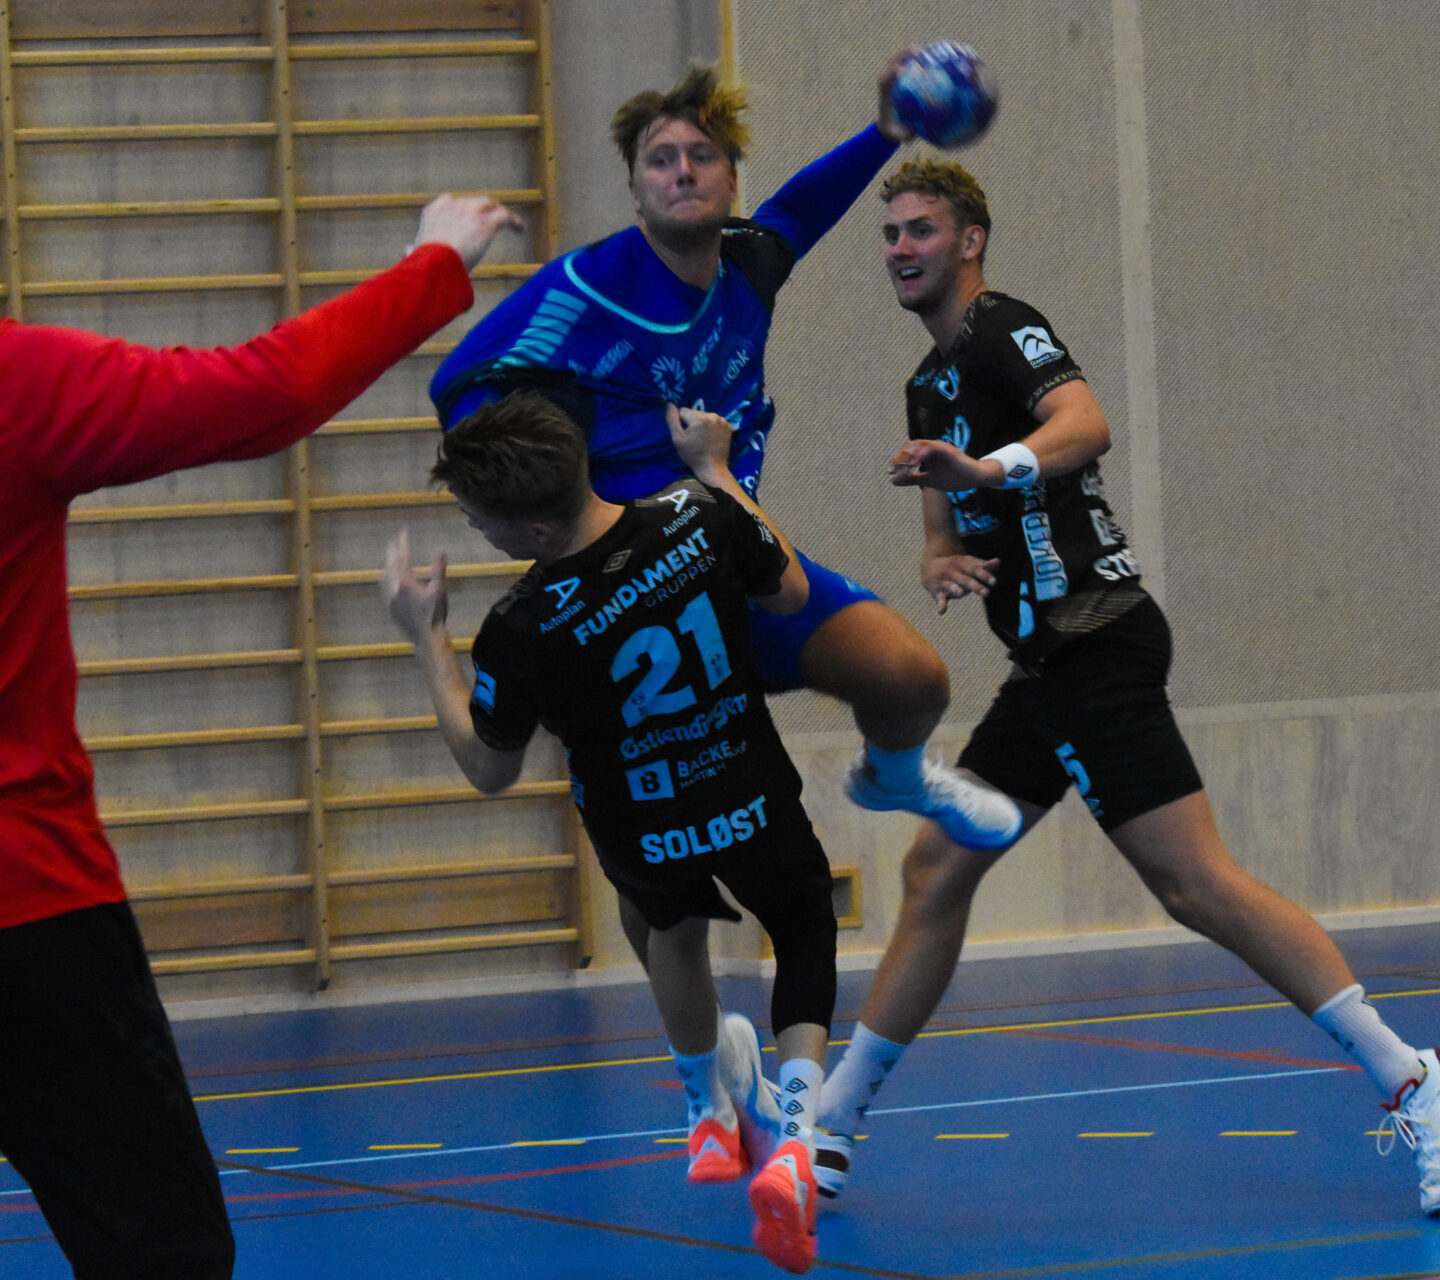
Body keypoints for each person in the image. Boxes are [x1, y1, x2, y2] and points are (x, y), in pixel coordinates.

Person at [812, 157, 1440, 1216]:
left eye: (921, 230)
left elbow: (1083, 424)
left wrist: (990, 469)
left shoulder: (1006, 328)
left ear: (970, 240)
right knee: (936, 868)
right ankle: (830, 1122)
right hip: (1042, 667)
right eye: (891, 234)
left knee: (1195, 885)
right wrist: (939, 556)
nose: (901, 249)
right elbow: (940, 521)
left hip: (1098, 639)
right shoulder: (928, 384)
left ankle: (1413, 1078)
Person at [0, 192, 522, 1279]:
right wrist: (433, 264)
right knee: (162, 1250)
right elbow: (266, 389)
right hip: (26, 907)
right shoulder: (15, 383)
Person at [428, 64, 1025, 986]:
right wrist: (554, 501)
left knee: (911, 681)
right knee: (663, 888)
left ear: (729, 176)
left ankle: (897, 776)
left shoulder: (748, 260)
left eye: (701, 155)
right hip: (634, 601)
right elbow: (458, 386)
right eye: (659, 159)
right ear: (634, 187)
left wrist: (886, 130)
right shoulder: (585, 290)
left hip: (733, 562)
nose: (682, 171)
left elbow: (801, 211)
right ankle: (702, 1064)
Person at [382, 391, 837, 1273]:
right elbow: (790, 592)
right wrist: (716, 470)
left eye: (479, 519)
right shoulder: (697, 515)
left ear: (533, 531)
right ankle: (794, 1140)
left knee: (666, 925)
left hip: (642, 822)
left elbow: (489, 769)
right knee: (803, 925)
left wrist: (427, 640)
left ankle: (709, 1116)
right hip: (744, 787)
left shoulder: (519, 625)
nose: (474, 529)